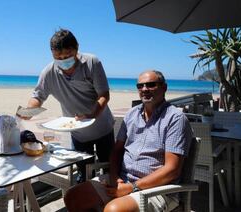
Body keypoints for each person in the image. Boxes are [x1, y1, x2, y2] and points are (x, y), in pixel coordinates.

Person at [64, 70, 193, 212]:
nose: (144, 89)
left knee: (113, 210)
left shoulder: (175, 118)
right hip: (123, 180)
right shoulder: (132, 114)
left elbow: (172, 170)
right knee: (72, 197)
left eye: (151, 85)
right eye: (140, 86)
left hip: (158, 189)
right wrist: (114, 176)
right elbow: (117, 150)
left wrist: (132, 187)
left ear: (164, 87)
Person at [20, 29, 115, 183]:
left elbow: (104, 94)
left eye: (68, 56)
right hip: (77, 133)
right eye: (58, 58)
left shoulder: (92, 62)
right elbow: (38, 96)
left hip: (103, 128)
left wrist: (93, 114)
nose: (63, 61)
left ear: (77, 48)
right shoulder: (49, 72)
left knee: (110, 171)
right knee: (84, 176)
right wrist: (29, 110)